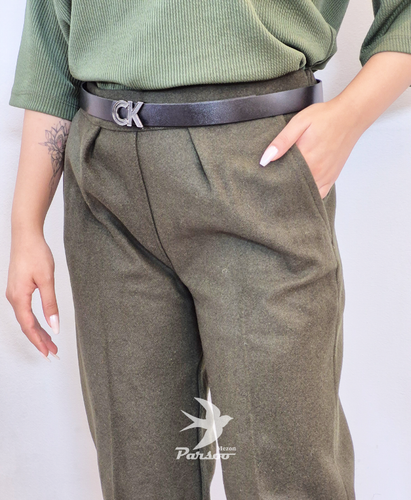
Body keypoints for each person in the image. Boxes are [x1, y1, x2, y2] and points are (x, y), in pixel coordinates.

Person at [5, 1, 411, 499]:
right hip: (107, 184)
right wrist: (26, 225)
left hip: (258, 164)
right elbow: (50, 37)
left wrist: (347, 119)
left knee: (285, 475)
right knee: (140, 478)